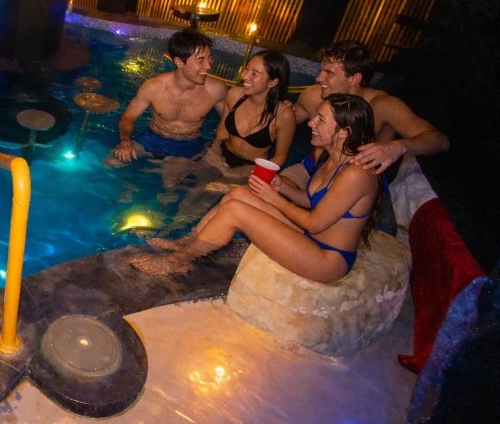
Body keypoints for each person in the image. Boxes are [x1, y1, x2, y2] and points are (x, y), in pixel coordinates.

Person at [130, 94, 381, 284]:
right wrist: (281, 188)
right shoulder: (329, 157)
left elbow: (315, 222)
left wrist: (274, 199)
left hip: (327, 258)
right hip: (309, 238)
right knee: (238, 194)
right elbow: (311, 200)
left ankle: (178, 261)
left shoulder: (356, 174)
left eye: (321, 120)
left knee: (236, 212)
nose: (311, 123)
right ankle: (188, 242)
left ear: (344, 132)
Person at [291, 40, 449, 175]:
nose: (319, 78)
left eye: (329, 73)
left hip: (357, 182)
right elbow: (285, 120)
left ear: (354, 78)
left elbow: (440, 141)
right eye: (321, 71)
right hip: (314, 169)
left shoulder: (383, 105)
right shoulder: (314, 96)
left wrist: (398, 147)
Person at [112, 29, 227, 162]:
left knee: (171, 175)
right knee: (112, 162)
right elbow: (127, 118)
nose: (208, 66)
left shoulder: (216, 90)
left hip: (190, 145)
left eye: (209, 58)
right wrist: (125, 142)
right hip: (152, 139)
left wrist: (216, 148)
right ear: (179, 62)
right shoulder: (154, 87)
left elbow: (228, 122)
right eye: (200, 60)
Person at [206, 50, 296, 172]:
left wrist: (250, 173)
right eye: (247, 69)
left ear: (272, 82)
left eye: (254, 74)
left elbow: (280, 157)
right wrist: (215, 153)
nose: (245, 76)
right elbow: (222, 133)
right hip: (222, 155)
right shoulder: (234, 95)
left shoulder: (284, 115)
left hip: (251, 168)